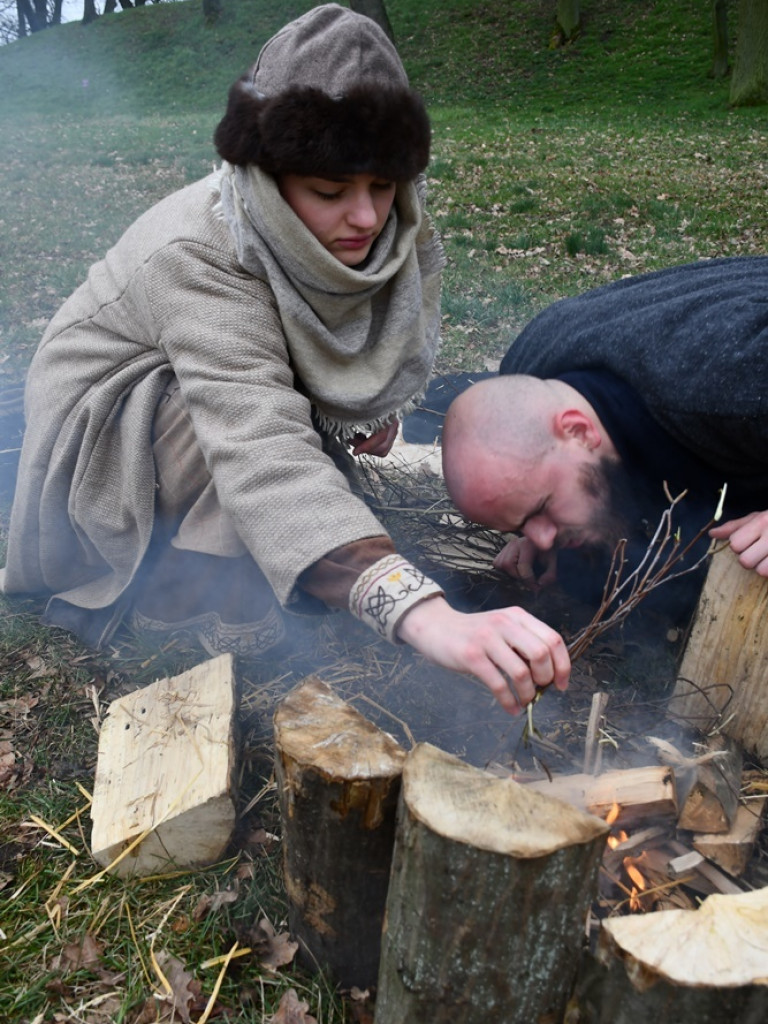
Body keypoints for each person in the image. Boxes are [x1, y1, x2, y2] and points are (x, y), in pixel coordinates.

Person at [0, 4, 569, 715]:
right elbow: (256, 438)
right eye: (329, 192)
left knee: (308, 514)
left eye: (382, 186)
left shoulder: (383, 226)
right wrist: (423, 613)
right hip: (105, 438)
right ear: (267, 178)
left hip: (227, 400)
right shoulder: (203, 251)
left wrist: (361, 405)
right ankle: (179, 601)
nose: (365, 218)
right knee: (213, 432)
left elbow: (346, 348)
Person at [441, 256, 768, 600]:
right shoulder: (526, 370)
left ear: (580, 432)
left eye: (540, 509)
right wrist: (537, 522)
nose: (542, 538)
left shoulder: (731, 386)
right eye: (521, 525)